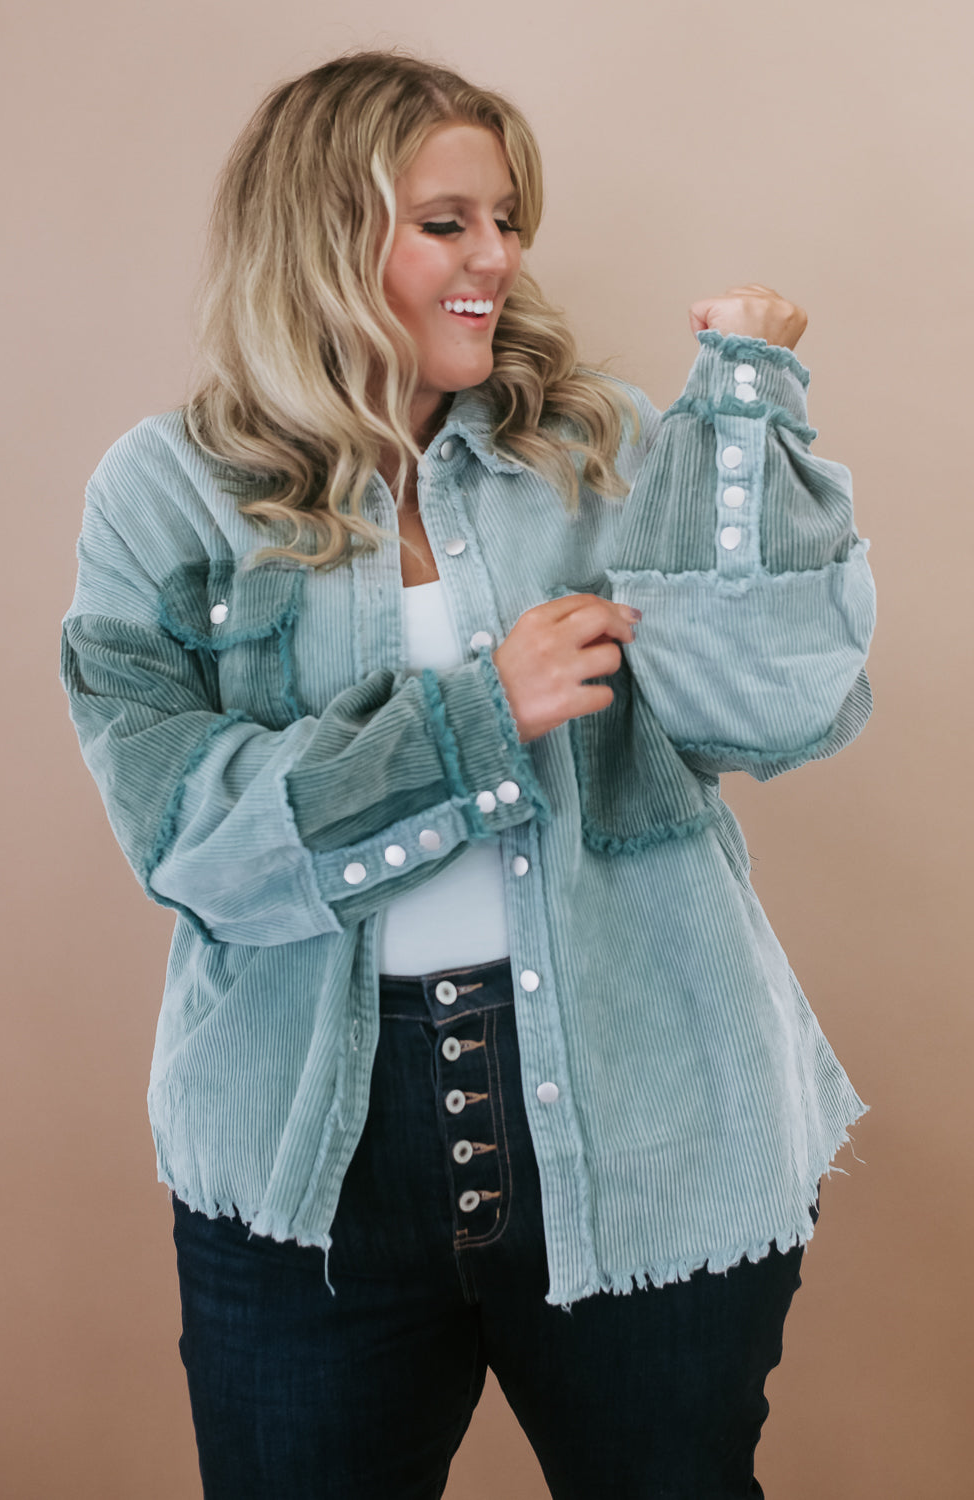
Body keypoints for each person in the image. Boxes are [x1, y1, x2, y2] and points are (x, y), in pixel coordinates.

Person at [60, 50, 875, 1500]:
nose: (495, 257)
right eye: (446, 223)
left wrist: (747, 412)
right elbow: (194, 837)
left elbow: (769, 709)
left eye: (505, 221)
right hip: (309, 1156)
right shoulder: (165, 495)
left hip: (647, 1109)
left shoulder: (600, 445)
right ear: (321, 240)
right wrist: (478, 719)